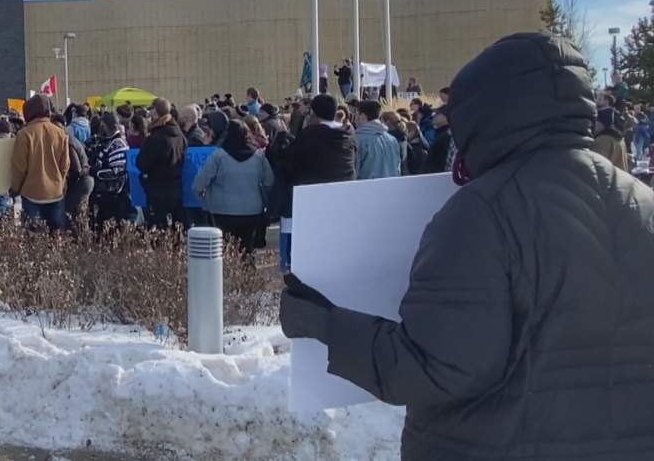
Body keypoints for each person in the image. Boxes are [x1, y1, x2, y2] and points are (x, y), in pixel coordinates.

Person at [280, 32, 654, 461]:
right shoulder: (641, 201)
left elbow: (433, 369)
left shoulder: (483, 212)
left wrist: (325, 323)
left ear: (485, 113)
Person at [278, 94, 355, 271]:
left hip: (313, 196)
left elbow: (291, 163)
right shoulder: (348, 134)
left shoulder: (311, 135)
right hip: (343, 193)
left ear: (313, 112)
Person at [192, 120, 274, 253]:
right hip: (252, 210)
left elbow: (199, 183)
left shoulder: (218, 156)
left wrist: (204, 201)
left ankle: (228, 273)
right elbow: (269, 182)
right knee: (247, 248)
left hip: (221, 210)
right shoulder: (259, 157)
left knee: (225, 249)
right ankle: (248, 272)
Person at [9, 94, 70, 231]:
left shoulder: (24, 134)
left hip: (32, 193)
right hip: (56, 192)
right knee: (56, 237)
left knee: (34, 238)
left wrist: (15, 188)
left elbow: (20, 167)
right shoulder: (61, 133)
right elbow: (65, 165)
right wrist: (61, 182)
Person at [137, 98, 187, 229]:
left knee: (158, 231)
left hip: (157, 192)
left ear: (155, 113)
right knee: (177, 230)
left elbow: (141, 163)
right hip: (176, 189)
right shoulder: (180, 135)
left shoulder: (155, 138)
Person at [87, 112, 131, 231]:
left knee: (109, 228)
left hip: (113, 194)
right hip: (105, 193)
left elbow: (117, 171)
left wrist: (94, 172)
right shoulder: (108, 142)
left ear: (105, 125)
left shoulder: (117, 143)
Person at [353, 101, 401, 180]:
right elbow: (397, 167)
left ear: (362, 116)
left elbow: (354, 171)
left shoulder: (357, 139)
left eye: (356, 114)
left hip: (367, 189)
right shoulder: (392, 139)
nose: (354, 119)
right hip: (392, 187)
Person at [592, 107, 629, 172]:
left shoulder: (602, 140)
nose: (593, 125)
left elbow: (596, 168)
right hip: (621, 179)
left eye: (596, 122)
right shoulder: (619, 139)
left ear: (602, 123)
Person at [420, 106, 454, 175]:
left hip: (439, 176)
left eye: (437, 114)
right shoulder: (440, 133)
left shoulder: (447, 135)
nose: (434, 116)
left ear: (445, 116)